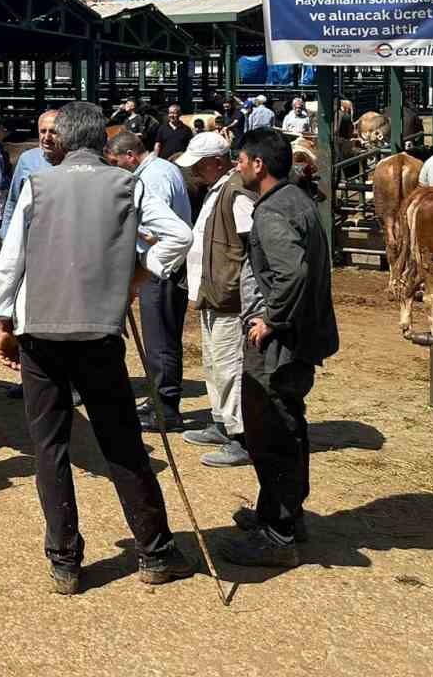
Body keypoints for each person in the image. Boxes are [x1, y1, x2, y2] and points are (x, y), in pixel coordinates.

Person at [0, 101, 195, 595]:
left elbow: (11, 261)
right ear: (103, 143)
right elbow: (180, 236)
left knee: (50, 447)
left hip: (41, 334)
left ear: (60, 141)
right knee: (121, 442)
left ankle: (64, 561)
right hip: (100, 335)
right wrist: (138, 276)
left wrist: (3, 322)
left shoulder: (38, 185)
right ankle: (155, 550)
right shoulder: (129, 183)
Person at [226, 128, 339, 567]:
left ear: (258, 165)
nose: (238, 166)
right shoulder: (296, 201)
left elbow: (291, 274)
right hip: (303, 336)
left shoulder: (273, 214)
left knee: (271, 431)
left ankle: (279, 535)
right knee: (287, 426)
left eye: (241, 159)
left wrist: (271, 319)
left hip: (281, 343)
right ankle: (279, 513)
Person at [176, 132, 255, 467]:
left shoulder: (236, 193)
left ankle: (242, 436)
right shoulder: (220, 189)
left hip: (228, 296)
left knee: (230, 365)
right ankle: (222, 422)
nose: (193, 171)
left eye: (198, 164)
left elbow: (252, 245)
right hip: (213, 292)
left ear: (215, 162)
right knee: (214, 362)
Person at [107, 129, 192, 432]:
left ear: (130, 156)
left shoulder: (151, 178)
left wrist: (135, 234)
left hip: (160, 264)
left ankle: (167, 407)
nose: (116, 168)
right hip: (164, 263)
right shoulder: (163, 169)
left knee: (160, 338)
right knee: (161, 336)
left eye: (117, 162)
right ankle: (160, 397)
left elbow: (160, 227)